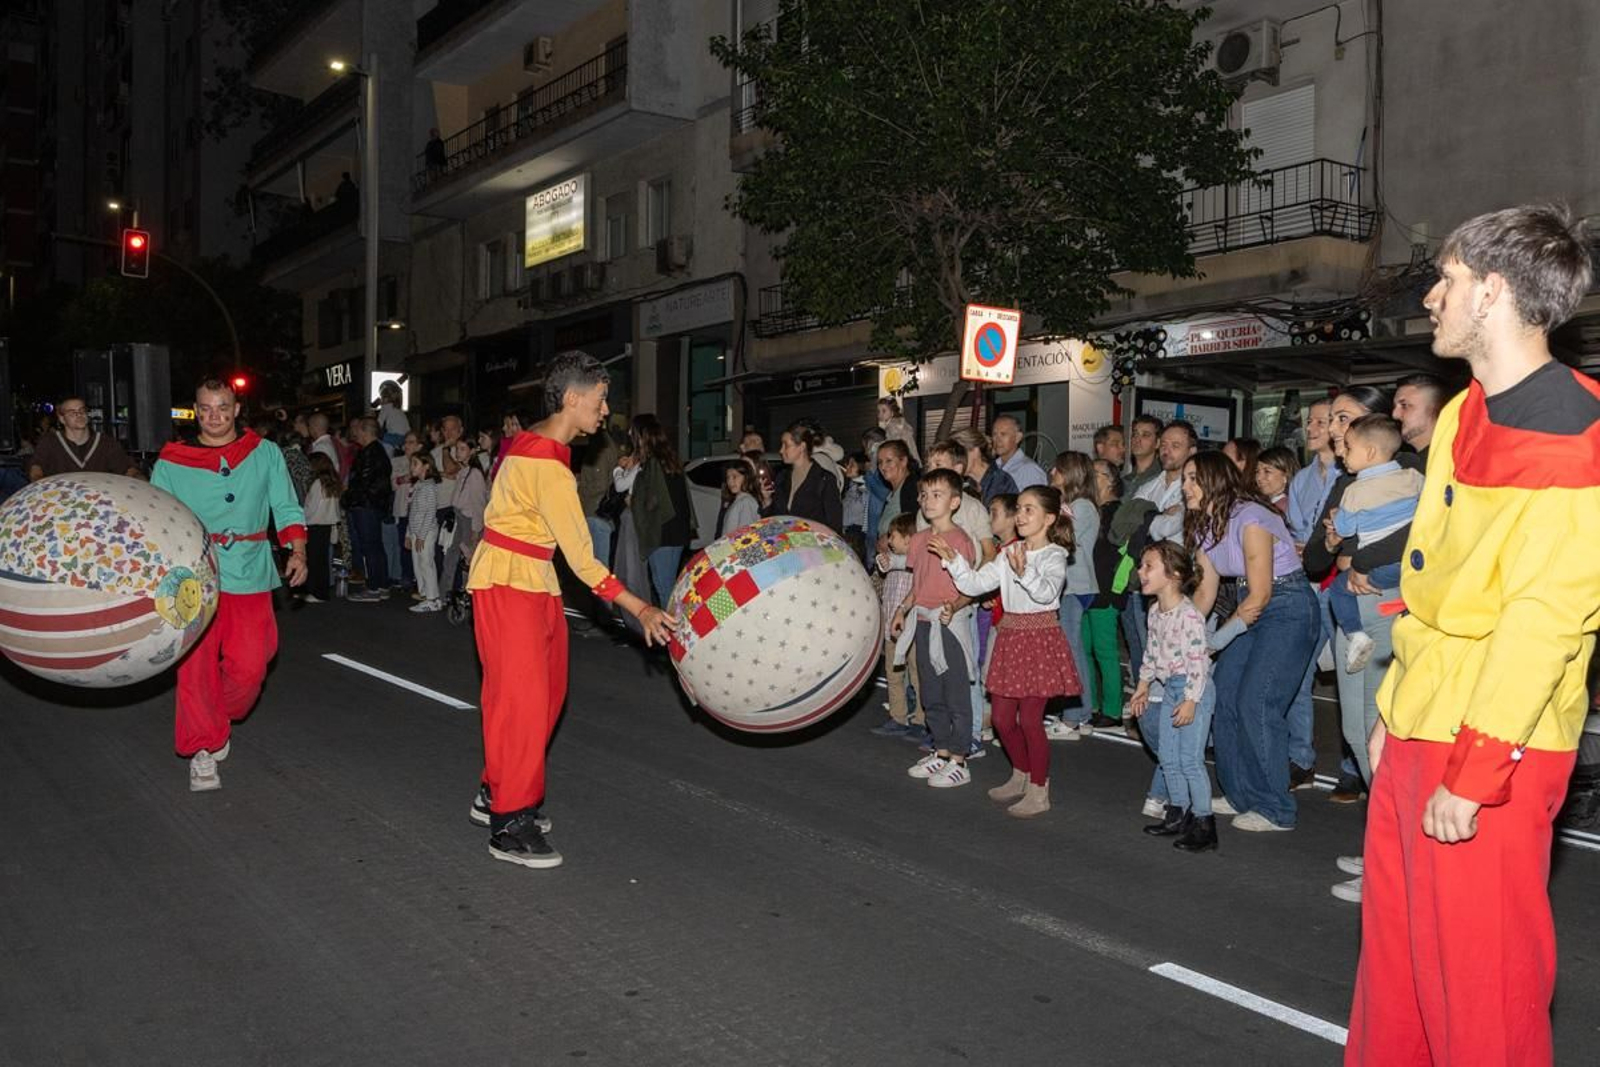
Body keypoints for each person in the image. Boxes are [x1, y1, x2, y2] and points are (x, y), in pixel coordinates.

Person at [1346, 205, 1600, 1066]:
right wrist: (1394, 705)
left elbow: (1544, 621)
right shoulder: (1461, 411)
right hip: (1424, 715)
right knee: (1398, 968)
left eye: (1445, 278)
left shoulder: (1576, 433)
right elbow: (1434, 580)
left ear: (1492, 291)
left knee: (1483, 991)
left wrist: (1478, 770)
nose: (1430, 296)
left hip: (1495, 739)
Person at [466, 352, 675, 868]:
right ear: (572, 399)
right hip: (509, 583)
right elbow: (583, 560)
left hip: (532, 580)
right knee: (522, 703)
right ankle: (509, 824)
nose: (606, 411)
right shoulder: (545, 461)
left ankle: (496, 789)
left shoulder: (542, 441)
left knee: (548, 693)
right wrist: (641, 609)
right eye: (601, 400)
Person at [150, 378, 307, 792]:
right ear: (195, 412)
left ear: (237, 409)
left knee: (252, 664)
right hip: (194, 575)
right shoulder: (171, 461)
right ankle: (203, 749)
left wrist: (298, 550)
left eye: (222, 407)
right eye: (205, 408)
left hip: (252, 571)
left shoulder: (263, 452)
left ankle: (214, 716)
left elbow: (285, 504)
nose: (214, 416)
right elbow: (158, 520)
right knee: (196, 667)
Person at [1184, 451, 1320, 832]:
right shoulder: (1203, 524)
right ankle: (1240, 792)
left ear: (1214, 480)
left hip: (1287, 606)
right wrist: (1185, 636)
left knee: (1256, 703)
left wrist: (1212, 644)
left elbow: (1259, 598)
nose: (1185, 487)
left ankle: (1276, 808)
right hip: (1251, 607)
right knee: (1224, 694)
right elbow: (1206, 593)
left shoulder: (1251, 517)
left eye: (1193, 478)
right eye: (1183, 480)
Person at [936, 485, 1078, 817]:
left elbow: (1046, 594)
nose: (1021, 515)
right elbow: (973, 585)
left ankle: (1039, 790)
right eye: (1019, 508)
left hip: (1039, 637)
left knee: (1030, 720)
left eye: (1030, 509)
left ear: (1049, 518)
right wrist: (954, 562)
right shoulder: (1007, 552)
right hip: (1011, 636)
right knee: (1000, 718)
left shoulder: (1054, 555)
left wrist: (1023, 571)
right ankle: (1021, 774)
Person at [889, 469, 978, 788]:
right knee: (930, 690)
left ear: (955, 502)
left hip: (949, 623)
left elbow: (970, 585)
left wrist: (955, 605)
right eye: (924, 495)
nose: (928, 500)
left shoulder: (960, 540)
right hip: (923, 622)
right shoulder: (919, 539)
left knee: (956, 692)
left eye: (937, 494)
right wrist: (903, 609)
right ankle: (940, 751)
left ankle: (959, 758)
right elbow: (918, 583)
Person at [1128, 541, 1218, 852]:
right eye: (1142, 565)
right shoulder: (1155, 612)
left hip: (1195, 689)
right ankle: (1177, 814)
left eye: (1148, 566)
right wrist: (1142, 684)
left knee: (1190, 760)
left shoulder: (1189, 616)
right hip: (1170, 689)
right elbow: (1152, 653)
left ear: (1175, 574)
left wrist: (1192, 700)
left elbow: (1198, 662)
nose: (1140, 572)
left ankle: (1205, 824)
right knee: (1168, 756)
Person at [1326, 415, 1421, 673]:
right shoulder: (1412, 476)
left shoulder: (1355, 491)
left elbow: (1345, 530)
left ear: (1369, 452)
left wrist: (1336, 519)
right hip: (1415, 564)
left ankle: (1355, 636)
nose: (1342, 453)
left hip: (1379, 568)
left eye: (1348, 447)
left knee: (1337, 589)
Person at [1046, 451, 1099, 740]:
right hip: (1073, 586)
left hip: (1075, 586)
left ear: (1072, 474)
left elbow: (1064, 539)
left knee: (1068, 650)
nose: (1053, 471)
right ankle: (1083, 712)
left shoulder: (1081, 506)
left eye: (1059, 468)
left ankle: (1072, 718)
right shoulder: (1075, 505)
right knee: (1075, 649)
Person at [627, 413, 694, 608]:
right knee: (668, 586)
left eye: (633, 431)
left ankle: (673, 634)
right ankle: (675, 631)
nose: (630, 434)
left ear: (642, 435)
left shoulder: (653, 463)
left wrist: (633, 500)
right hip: (677, 531)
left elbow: (654, 502)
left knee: (664, 587)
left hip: (663, 533)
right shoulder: (668, 458)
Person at [871, 512, 925, 738]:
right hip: (892, 631)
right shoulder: (891, 564)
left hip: (911, 630)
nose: (889, 540)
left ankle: (922, 721)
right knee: (893, 673)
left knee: (917, 674)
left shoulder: (917, 566)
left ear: (909, 539)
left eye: (892, 536)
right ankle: (898, 717)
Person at [1084, 459, 1129, 730]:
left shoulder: (1117, 512)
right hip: (1087, 588)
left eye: (1096, 474)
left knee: (1105, 651)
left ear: (1111, 480)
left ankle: (1112, 710)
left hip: (1106, 590)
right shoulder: (1090, 510)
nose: (1090, 478)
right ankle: (1091, 704)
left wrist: (1117, 588)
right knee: (1085, 650)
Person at [28, 396, 141, 480]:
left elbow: (129, 470)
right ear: (62, 419)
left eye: (82, 410)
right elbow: (36, 469)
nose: (79, 415)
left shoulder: (105, 442)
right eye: (72, 413)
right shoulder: (50, 443)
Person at [343, 417, 394, 602]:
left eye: (358, 429)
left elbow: (362, 484)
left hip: (366, 506)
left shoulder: (370, 453)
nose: (355, 432)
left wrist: (349, 498)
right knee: (376, 546)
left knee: (370, 546)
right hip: (372, 505)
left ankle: (374, 587)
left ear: (365, 431)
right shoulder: (376, 451)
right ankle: (381, 585)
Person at [762, 421, 843, 531]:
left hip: (813, 546)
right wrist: (767, 500)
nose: (781, 450)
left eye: (786, 445)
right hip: (787, 544)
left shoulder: (824, 479)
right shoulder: (782, 477)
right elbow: (774, 520)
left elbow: (835, 525)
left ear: (802, 446)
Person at [406, 451, 444, 614]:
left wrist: (421, 535)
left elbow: (429, 513)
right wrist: (409, 533)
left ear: (426, 466)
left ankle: (433, 598)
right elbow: (413, 511)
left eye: (415, 463)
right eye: (411, 463)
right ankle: (424, 593)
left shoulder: (429, 487)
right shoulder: (419, 486)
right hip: (416, 531)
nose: (411, 467)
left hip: (426, 532)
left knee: (426, 563)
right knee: (418, 563)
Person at [302, 453, 342, 603]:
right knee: (322, 561)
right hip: (327, 526)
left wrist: (302, 517)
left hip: (315, 525)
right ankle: (321, 591)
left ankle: (317, 592)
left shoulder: (317, 484)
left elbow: (311, 507)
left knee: (314, 560)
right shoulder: (332, 483)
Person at [1390, 372, 1448, 460]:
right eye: (1394, 407)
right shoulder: (1414, 463)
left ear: (1435, 408)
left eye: (1404, 405)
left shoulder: (1450, 461)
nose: (1395, 415)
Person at [953, 426, 1018, 505]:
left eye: (958, 453)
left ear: (974, 450)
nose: (954, 459)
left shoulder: (1003, 483)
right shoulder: (964, 487)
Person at [873, 439, 919, 549]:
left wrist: (888, 537)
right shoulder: (892, 493)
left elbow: (914, 524)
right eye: (880, 462)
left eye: (889, 461)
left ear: (903, 461)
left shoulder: (911, 487)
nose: (883, 467)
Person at [991, 414, 1047, 490]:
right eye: (994, 434)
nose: (997, 440)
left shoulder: (1029, 471)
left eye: (1003, 434)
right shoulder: (993, 468)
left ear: (1018, 438)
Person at [716, 457, 761, 538]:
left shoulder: (746, 501)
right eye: (728, 477)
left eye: (735, 476)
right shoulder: (738, 500)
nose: (730, 481)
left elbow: (745, 536)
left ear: (746, 477)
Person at [1123, 414, 1163, 497]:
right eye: (1135, 434)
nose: (1137, 439)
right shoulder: (1125, 480)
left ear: (1157, 443)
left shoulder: (1161, 479)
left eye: (1145, 435)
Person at [1254, 446, 1299, 516]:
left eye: (1267, 471)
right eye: (1257, 471)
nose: (1259, 478)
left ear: (1285, 476)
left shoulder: (1285, 509)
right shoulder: (1267, 503)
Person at [876, 397, 920, 464]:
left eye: (884, 411)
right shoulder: (901, 424)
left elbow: (893, 448)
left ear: (892, 412)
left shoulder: (892, 427)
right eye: (879, 411)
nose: (880, 414)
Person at [841, 452, 869, 555]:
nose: (847, 467)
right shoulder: (851, 486)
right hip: (847, 531)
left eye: (852, 465)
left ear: (861, 468)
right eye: (847, 464)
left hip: (857, 534)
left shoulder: (865, 489)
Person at [374, 380, 409, 451]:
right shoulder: (398, 410)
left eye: (382, 397)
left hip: (394, 437)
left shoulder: (386, 407)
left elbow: (378, 424)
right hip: (405, 437)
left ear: (385, 398)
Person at [307, 412, 341, 478]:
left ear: (315, 426)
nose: (308, 428)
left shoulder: (321, 447)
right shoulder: (330, 442)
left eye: (309, 425)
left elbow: (317, 473)